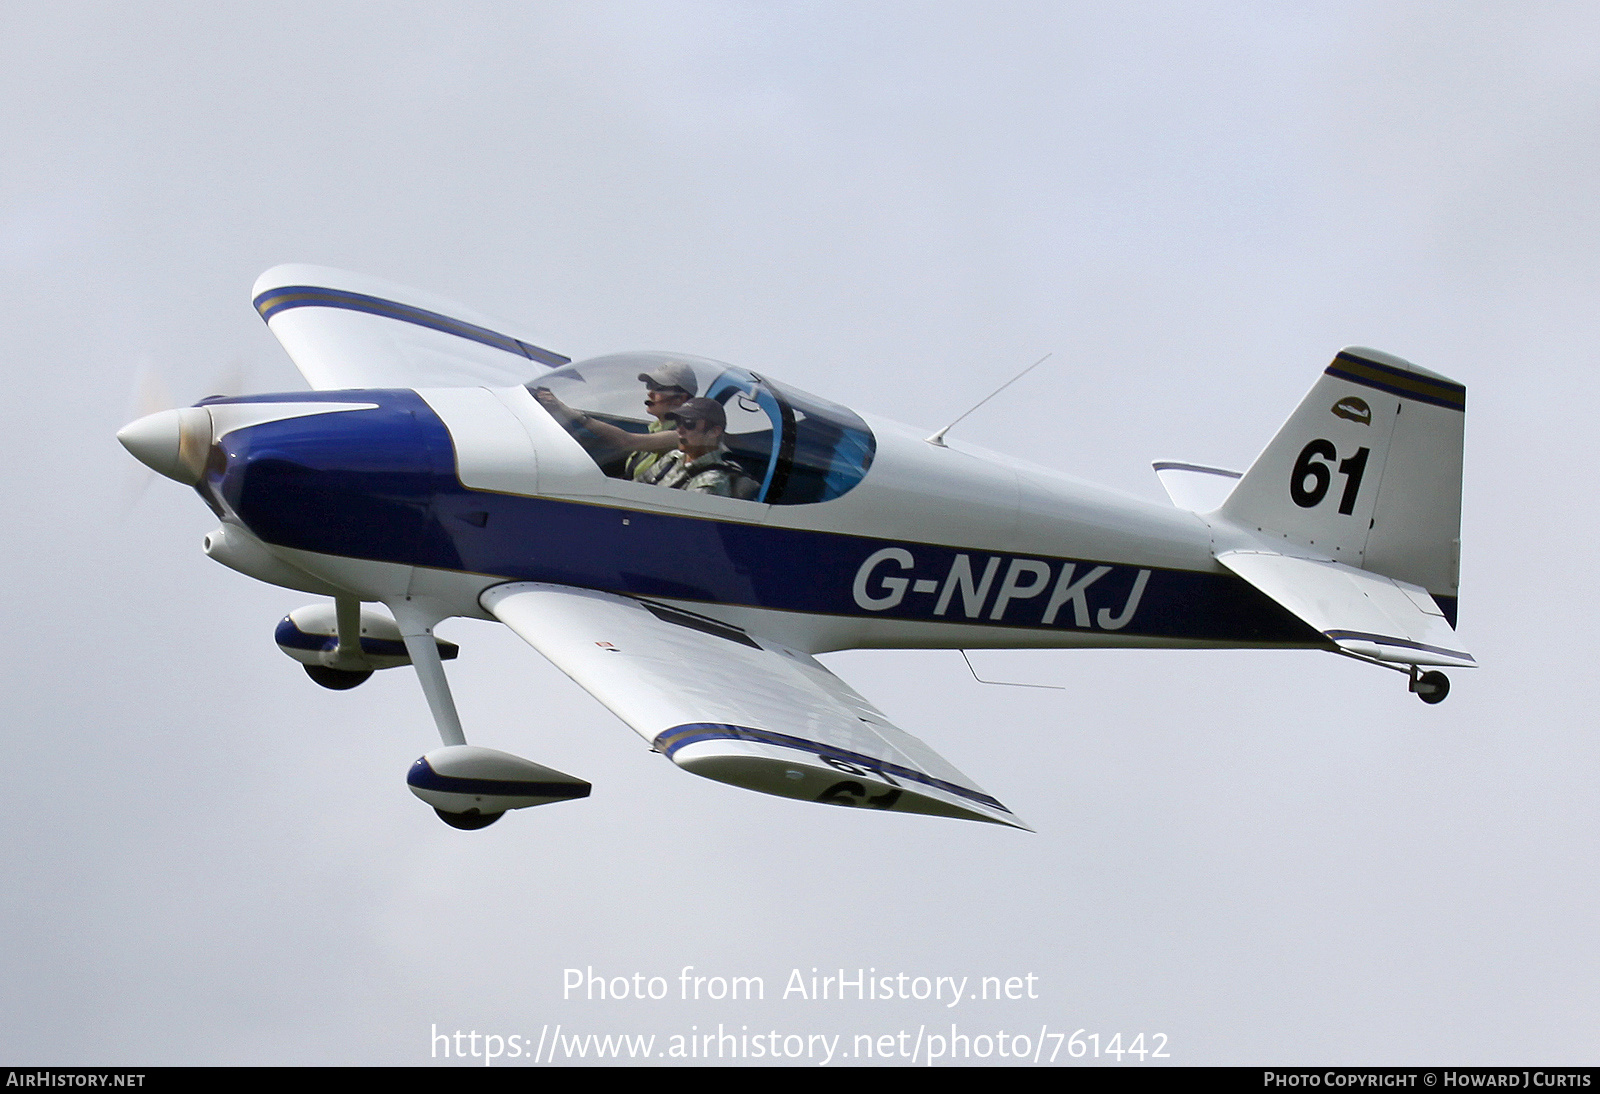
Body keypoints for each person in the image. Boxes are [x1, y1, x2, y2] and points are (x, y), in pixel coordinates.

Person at [533, 361, 696, 480]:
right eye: (649, 386)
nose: (650, 393)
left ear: (680, 399)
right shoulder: (653, 432)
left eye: (658, 388)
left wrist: (567, 412)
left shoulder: (685, 436)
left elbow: (626, 441)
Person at [643, 397, 759, 499]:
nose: (679, 429)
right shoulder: (673, 457)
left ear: (714, 432)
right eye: (679, 421)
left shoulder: (711, 481)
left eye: (689, 423)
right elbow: (637, 486)